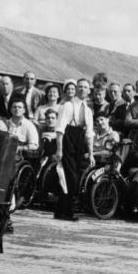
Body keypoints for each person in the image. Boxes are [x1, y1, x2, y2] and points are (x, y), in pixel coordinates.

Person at [53, 78, 95, 221]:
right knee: (69, 176)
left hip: (80, 141)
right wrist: (59, 150)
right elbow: (59, 129)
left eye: (85, 87)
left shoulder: (88, 110)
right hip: (68, 139)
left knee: (76, 175)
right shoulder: (68, 106)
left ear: (89, 91)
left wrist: (90, 153)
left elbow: (89, 133)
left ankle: (61, 211)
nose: (82, 89)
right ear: (76, 89)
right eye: (80, 87)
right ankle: (66, 212)